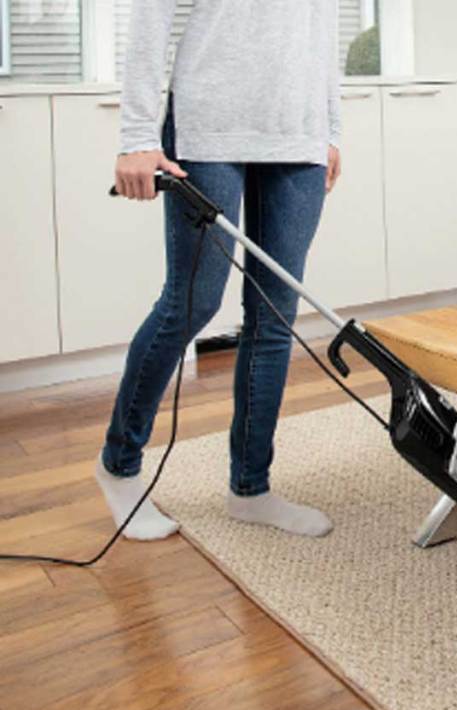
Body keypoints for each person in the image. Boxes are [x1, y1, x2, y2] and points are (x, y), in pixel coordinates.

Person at [97, 0, 344, 540]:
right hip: (210, 123)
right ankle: (119, 465)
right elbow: (150, 17)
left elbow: (324, 25)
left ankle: (250, 489)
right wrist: (137, 135)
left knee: (274, 317)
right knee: (191, 304)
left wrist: (331, 128)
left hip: (297, 133)